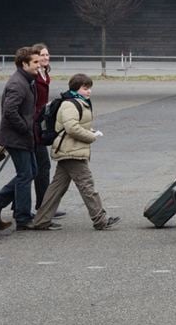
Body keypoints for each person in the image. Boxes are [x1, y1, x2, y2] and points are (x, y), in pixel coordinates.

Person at [28, 74, 120, 231]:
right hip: (71, 150)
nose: (89, 91)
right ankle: (100, 220)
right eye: (85, 88)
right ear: (76, 88)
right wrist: (91, 136)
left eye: (89, 88)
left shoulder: (77, 102)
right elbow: (71, 128)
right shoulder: (70, 104)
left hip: (69, 149)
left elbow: (74, 126)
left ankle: (41, 220)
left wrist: (89, 130)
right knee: (86, 184)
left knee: (57, 187)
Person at [0, 46, 41, 231]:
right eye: (36, 62)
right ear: (24, 64)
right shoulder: (17, 83)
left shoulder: (27, 80)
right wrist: (25, 128)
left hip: (23, 137)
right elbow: (10, 111)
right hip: (16, 137)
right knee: (25, 175)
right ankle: (22, 217)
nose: (39, 66)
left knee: (32, 171)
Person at [30, 43, 63, 218]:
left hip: (40, 121)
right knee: (38, 167)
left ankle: (42, 204)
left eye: (47, 55)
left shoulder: (45, 72)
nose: (45, 58)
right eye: (41, 55)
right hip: (33, 124)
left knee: (39, 167)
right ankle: (42, 206)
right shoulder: (34, 75)